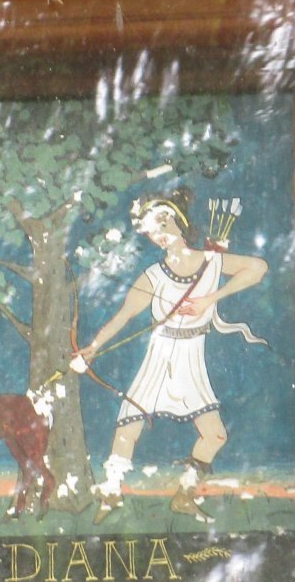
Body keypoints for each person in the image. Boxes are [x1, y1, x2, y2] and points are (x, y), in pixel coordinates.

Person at [72, 187, 267, 517]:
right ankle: (111, 493)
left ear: (180, 222)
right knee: (129, 426)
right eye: (152, 231)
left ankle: (184, 493)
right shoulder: (153, 276)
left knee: (215, 434)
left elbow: (257, 268)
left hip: (191, 355)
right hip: (161, 354)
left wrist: (210, 299)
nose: (159, 234)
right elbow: (123, 316)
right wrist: (93, 348)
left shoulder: (211, 262)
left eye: (163, 224)